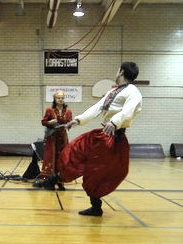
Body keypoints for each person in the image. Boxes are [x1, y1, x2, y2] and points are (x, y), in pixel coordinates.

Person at [43, 62, 142, 217]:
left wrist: (114, 122)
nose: (116, 72)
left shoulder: (133, 92)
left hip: (114, 139)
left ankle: (95, 206)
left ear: (121, 71)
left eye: (118, 70)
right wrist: (78, 120)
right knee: (76, 150)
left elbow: (128, 112)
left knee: (95, 171)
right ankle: (55, 178)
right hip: (103, 135)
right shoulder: (115, 91)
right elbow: (97, 107)